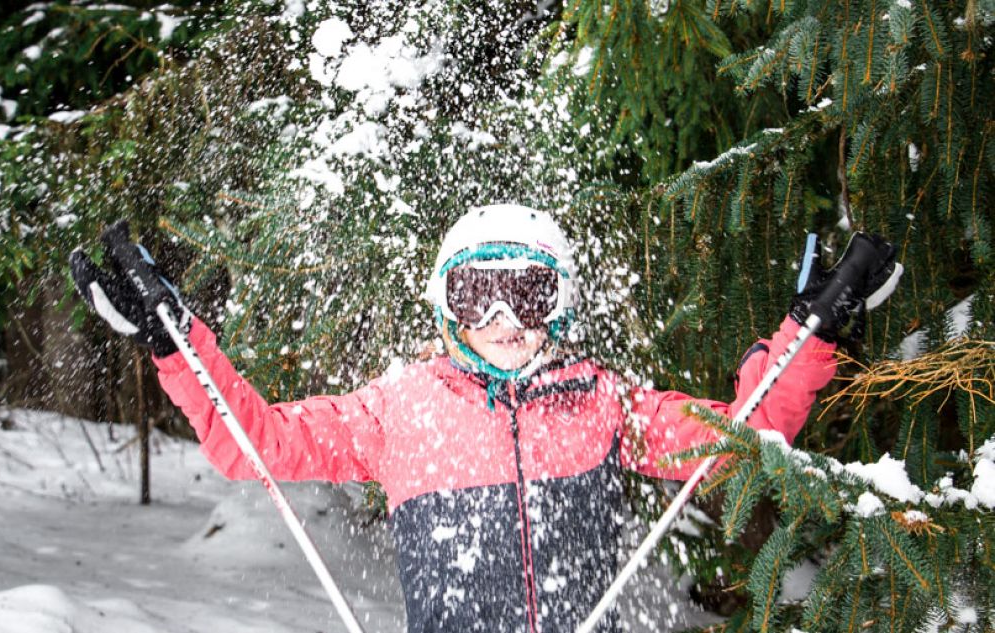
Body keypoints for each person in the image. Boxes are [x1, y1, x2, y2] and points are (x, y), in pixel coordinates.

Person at [69, 205, 900, 632]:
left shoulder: (599, 402)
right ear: (446, 306)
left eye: (529, 291)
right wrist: (176, 344)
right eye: (478, 292)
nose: (505, 315)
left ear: (561, 305)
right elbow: (256, 442)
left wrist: (808, 335)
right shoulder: (399, 412)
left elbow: (737, 440)